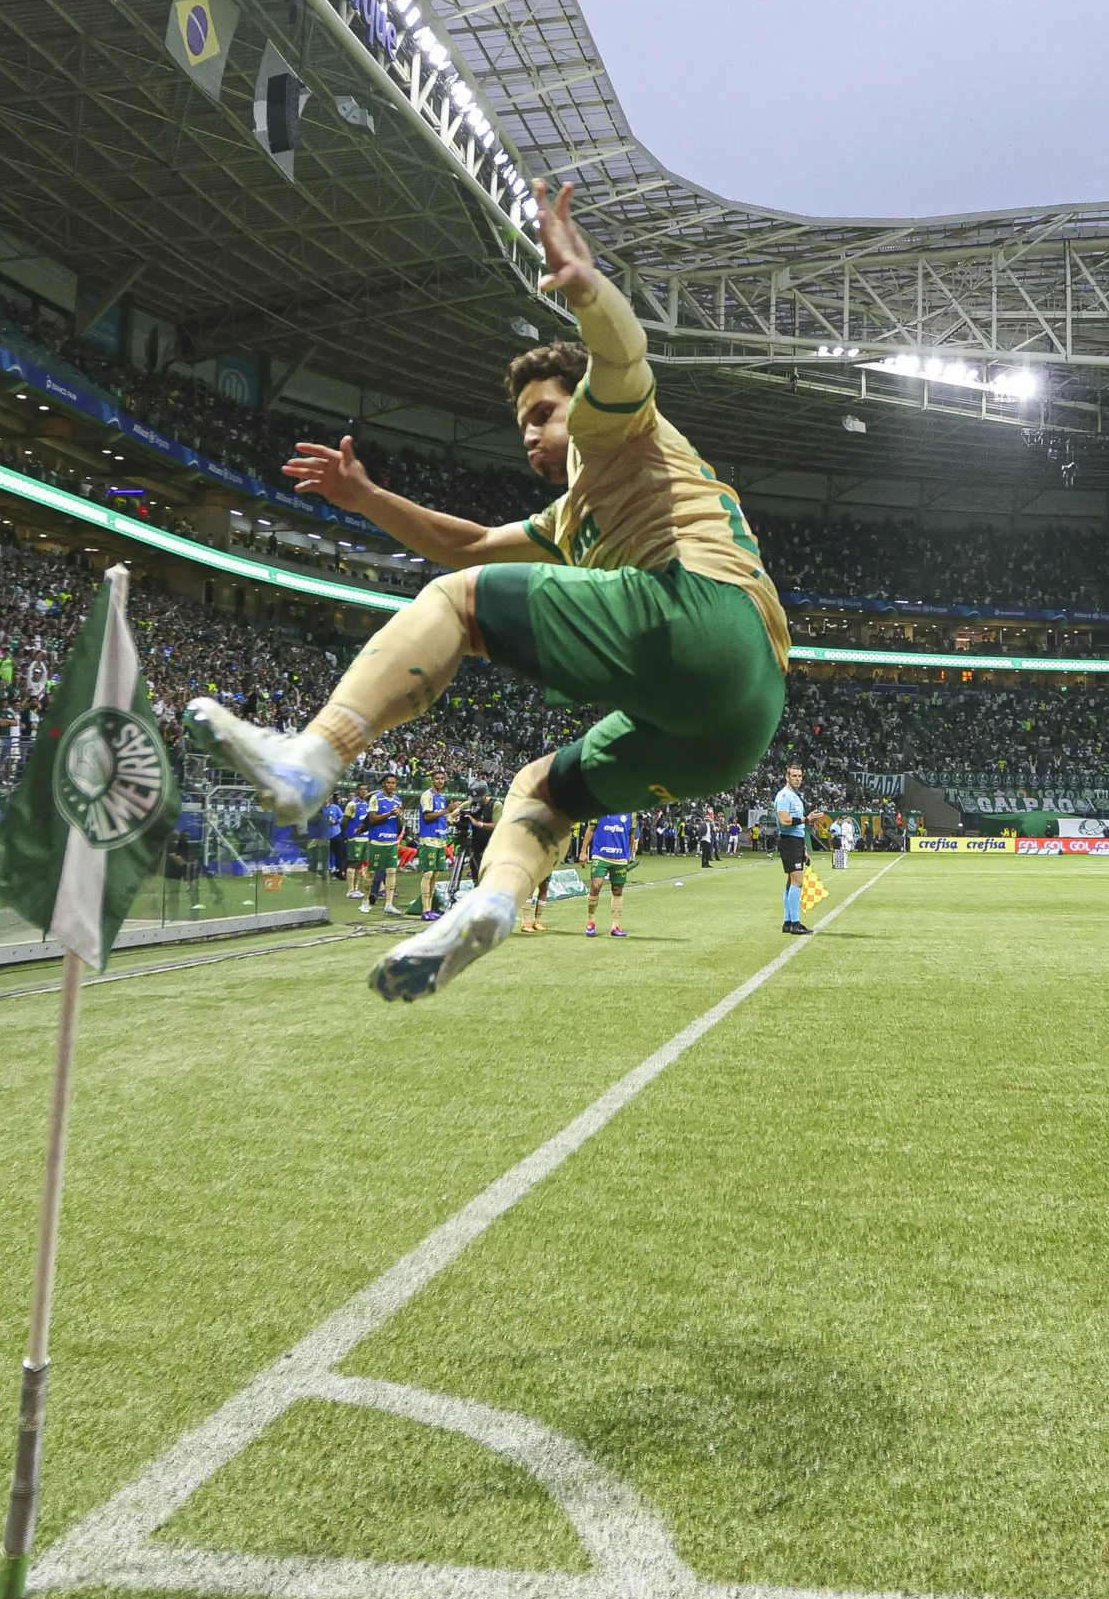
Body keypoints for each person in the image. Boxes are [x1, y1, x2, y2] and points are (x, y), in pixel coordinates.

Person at [192, 179, 788, 999]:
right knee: (541, 788)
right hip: (735, 725)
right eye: (523, 425)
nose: (532, 433)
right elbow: (465, 540)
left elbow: (622, 357)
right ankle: (495, 902)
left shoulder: (607, 425)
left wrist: (588, 290)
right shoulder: (573, 512)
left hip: (700, 611)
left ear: (573, 403)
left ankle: (313, 756)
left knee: (456, 602)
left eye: (541, 413)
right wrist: (367, 499)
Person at [583, 809, 636, 938]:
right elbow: (590, 829)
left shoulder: (631, 812)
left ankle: (615, 926)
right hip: (600, 855)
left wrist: (630, 853)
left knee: (617, 890)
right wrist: (583, 851)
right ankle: (591, 922)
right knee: (596, 886)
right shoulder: (599, 808)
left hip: (620, 857)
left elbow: (632, 834)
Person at [774, 764, 812, 934]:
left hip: (796, 841)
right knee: (797, 881)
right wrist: (806, 819)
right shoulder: (784, 796)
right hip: (788, 841)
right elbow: (784, 820)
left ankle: (788, 922)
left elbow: (798, 827)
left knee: (792, 881)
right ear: (787, 777)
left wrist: (804, 848)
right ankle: (795, 923)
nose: (798, 778)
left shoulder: (795, 797)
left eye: (800, 776)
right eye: (794, 775)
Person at [358, 773, 403, 916]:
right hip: (377, 841)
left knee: (391, 872)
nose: (391, 785)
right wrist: (390, 814)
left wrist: (399, 816)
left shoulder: (397, 800)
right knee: (371, 873)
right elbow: (372, 818)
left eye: (393, 783)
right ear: (383, 784)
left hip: (391, 842)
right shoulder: (375, 798)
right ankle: (365, 901)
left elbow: (398, 820)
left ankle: (389, 904)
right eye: (388, 782)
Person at [411, 769, 452, 920]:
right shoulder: (427, 795)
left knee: (435, 875)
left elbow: (442, 818)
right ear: (432, 780)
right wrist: (447, 810)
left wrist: (452, 816)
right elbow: (428, 816)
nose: (440, 781)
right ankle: (425, 910)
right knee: (428, 874)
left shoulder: (441, 797)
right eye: (437, 778)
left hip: (440, 839)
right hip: (428, 839)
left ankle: (429, 909)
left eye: (442, 778)